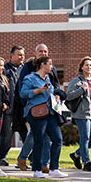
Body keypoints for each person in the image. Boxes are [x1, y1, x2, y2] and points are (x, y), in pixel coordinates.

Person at [16, 44, 63, 172]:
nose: (43, 53)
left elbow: (55, 85)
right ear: (36, 53)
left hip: (49, 108)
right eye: (41, 51)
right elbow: (22, 89)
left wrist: (57, 95)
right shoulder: (28, 68)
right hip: (34, 108)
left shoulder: (50, 71)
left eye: (45, 51)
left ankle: (43, 163)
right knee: (39, 137)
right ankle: (39, 164)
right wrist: (29, 105)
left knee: (45, 137)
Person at [66, 56, 91, 172]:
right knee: (85, 138)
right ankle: (86, 163)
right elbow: (68, 96)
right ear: (82, 67)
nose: (89, 67)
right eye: (86, 65)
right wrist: (81, 89)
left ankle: (76, 155)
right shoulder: (76, 81)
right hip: (82, 114)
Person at [0, 45, 26, 167]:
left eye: (23, 55)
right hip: (8, 108)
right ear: (12, 55)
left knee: (26, 135)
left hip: (22, 108)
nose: (21, 57)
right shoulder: (5, 70)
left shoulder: (25, 69)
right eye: (19, 55)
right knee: (7, 135)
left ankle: (28, 158)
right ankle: (1, 158)